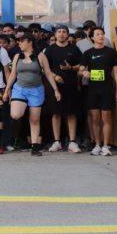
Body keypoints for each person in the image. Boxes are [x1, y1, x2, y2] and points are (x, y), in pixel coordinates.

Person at [3, 33, 61, 156]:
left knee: (35, 120)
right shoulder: (17, 56)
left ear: (29, 42)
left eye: (21, 41)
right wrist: (7, 89)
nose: (19, 43)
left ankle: (35, 147)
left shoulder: (40, 56)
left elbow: (48, 73)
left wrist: (55, 90)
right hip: (20, 89)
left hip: (36, 90)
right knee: (15, 114)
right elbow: (13, 74)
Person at [80, 27, 117, 156]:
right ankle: (97, 144)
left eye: (102, 34)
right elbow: (80, 69)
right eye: (98, 34)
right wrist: (84, 72)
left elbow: (116, 71)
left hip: (107, 88)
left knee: (107, 117)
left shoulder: (111, 52)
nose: (101, 36)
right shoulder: (87, 53)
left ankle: (106, 145)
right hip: (93, 89)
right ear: (92, 37)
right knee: (95, 118)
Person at [42, 25, 83, 153]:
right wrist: (54, 76)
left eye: (64, 32)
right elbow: (44, 68)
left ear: (68, 34)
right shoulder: (49, 50)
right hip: (54, 86)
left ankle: (72, 141)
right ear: (55, 34)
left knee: (71, 113)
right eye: (59, 32)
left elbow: (81, 65)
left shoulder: (74, 49)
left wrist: (71, 68)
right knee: (56, 113)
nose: (61, 34)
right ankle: (57, 141)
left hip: (71, 85)